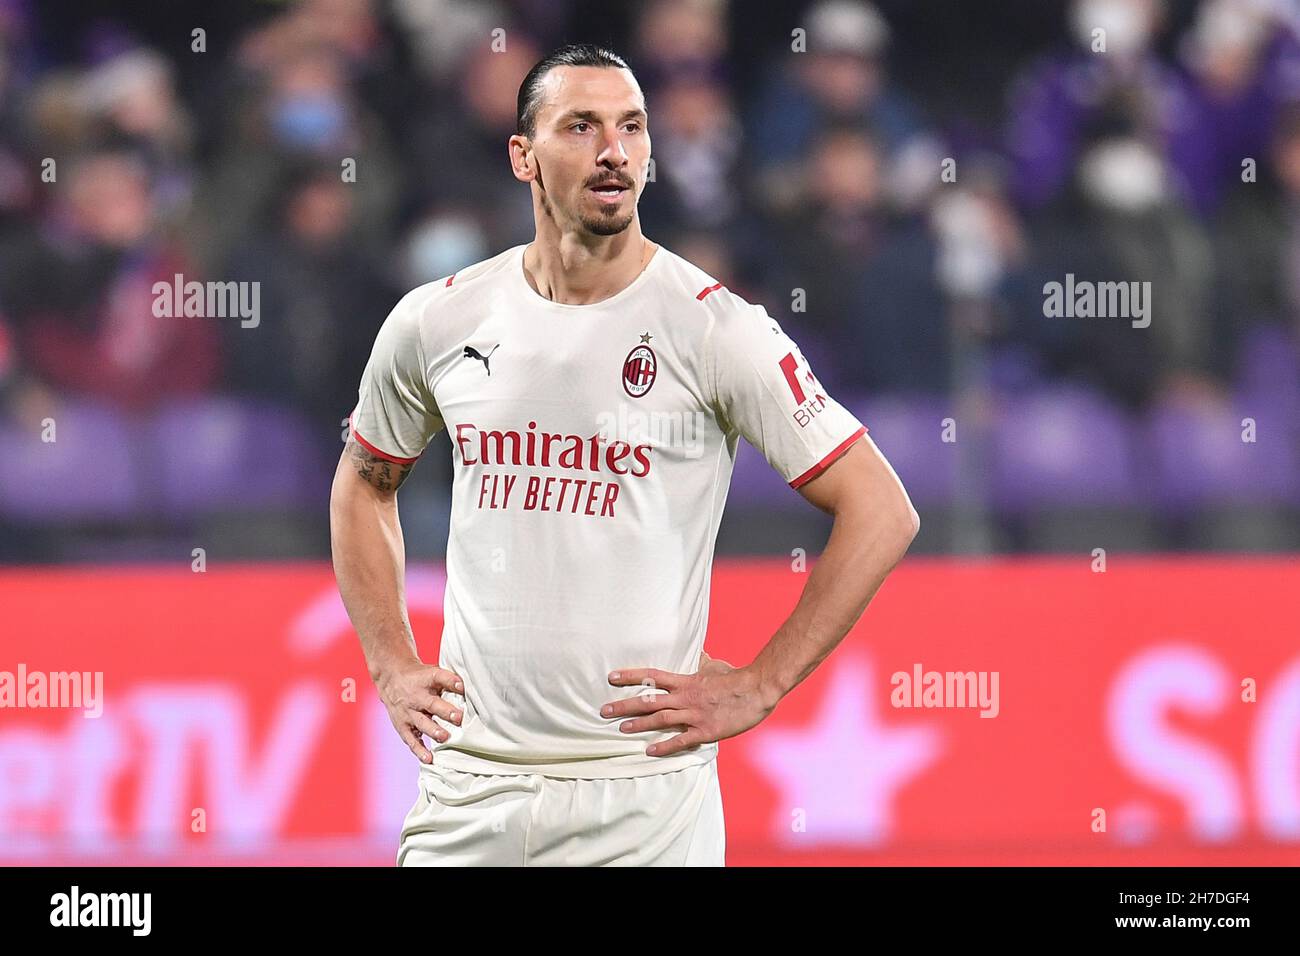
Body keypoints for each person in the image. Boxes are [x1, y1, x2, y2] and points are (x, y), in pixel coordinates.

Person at [329, 44, 919, 867]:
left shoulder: (716, 329)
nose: (614, 151)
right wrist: (390, 662)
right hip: (469, 790)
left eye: (631, 128)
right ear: (522, 157)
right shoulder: (440, 321)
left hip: (642, 801)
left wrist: (762, 683)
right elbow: (365, 483)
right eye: (581, 126)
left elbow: (882, 508)